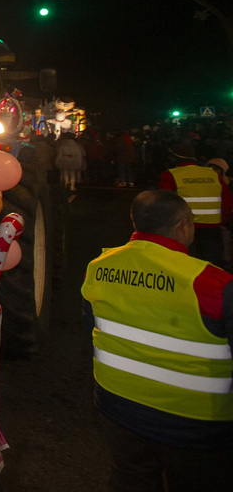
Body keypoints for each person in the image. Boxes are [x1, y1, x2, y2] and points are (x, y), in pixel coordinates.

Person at [81, 189, 232, 490]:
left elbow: (93, 329)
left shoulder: (99, 266)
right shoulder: (213, 283)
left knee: (131, 479)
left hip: (117, 410)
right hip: (195, 427)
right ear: (183, 226)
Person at [158, 143, 232, 264]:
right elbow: (227, 200)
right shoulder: (212, 174)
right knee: (211, 266)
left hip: (183, 228)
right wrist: (222, 220)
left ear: (175, 157)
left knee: (186, 264)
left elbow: (165, 203)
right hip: (212, 228)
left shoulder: (170, 175)